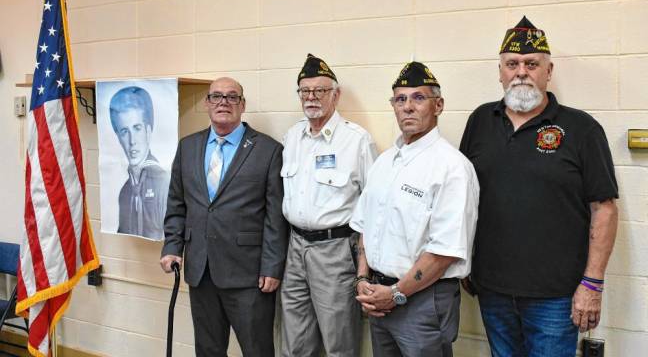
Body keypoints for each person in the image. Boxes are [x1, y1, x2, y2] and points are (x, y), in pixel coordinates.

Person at [460, 16, 619, 357]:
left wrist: (592, 283)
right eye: (512, 64)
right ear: (500, 71)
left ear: (548, 71)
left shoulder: (582, 128)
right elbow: (461, 198)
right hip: (492, 289)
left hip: (556, 297)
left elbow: (603, 208)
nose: (521, 72)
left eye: (531, 64)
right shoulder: (479, 121)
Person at [351, 62, 479, 357]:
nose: (408, 107)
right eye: (400, 99)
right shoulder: (384, 163)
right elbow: (365, 228)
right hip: (378, 296)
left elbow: (444, 251)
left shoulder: (452, 168)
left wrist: (395, 294)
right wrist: (362, 279)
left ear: (439, 105)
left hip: (422, 303)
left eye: (419, 98)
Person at [159, 77, 288, 357]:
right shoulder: (188, 147)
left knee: (257, 349)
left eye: (231, 97)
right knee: (207, 349)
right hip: (200, 270)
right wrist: (172, 246)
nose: (223, 103)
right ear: (207, 103)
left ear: (242, 105)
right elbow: (177, 204)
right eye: (216, 97)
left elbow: (275, 217)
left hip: (250, 275)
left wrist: (272, 267)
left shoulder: (268, 150)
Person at [280, 54, 377, 357]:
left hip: (335, 251)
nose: (311, 97)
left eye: (319, 90)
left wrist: (364, 268)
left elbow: (373, 209)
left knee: (339, 343)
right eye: (305, 91)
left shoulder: (357, 140)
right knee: (294, 342)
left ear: (336, 95)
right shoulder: (293, 136)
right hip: (294, 248)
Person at [109, 86, 169, 240]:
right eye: (124, 131)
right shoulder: (125, 192)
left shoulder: (164, 183)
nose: (132, 141)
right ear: (118, 137)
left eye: (137, 128)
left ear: (148, 131)